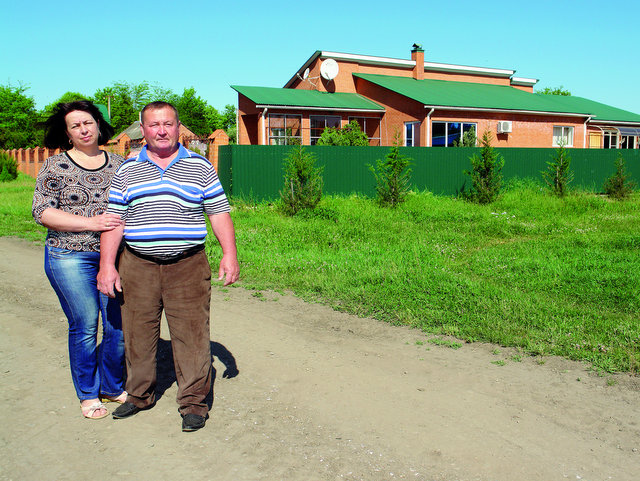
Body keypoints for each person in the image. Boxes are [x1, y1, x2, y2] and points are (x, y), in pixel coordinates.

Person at [97, 101, 239, 432]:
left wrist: (229, 254)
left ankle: (193, 404)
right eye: (153, 125)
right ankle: (139, 394)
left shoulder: (201, 167)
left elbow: (218, 213)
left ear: (178, 127)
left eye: (168, 124)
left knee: (192, 336)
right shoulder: (127, 170)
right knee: (138, 333)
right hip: (137, 265)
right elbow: (114, 221)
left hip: (187, 266)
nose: (161, 130)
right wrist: (107, 266)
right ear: (142, 130)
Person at [32, 101, 127, 420]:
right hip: (69, 256)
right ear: (67, 133)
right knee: (86, 325)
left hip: (115, 257)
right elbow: (42, 211)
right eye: (76, 126)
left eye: (88, 122)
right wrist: (93, 223)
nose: (84, 129)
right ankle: (88, 393)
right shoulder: (53, 166)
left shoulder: (120, 164)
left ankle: (113, 387)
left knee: (117, 326)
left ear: (99, 125)